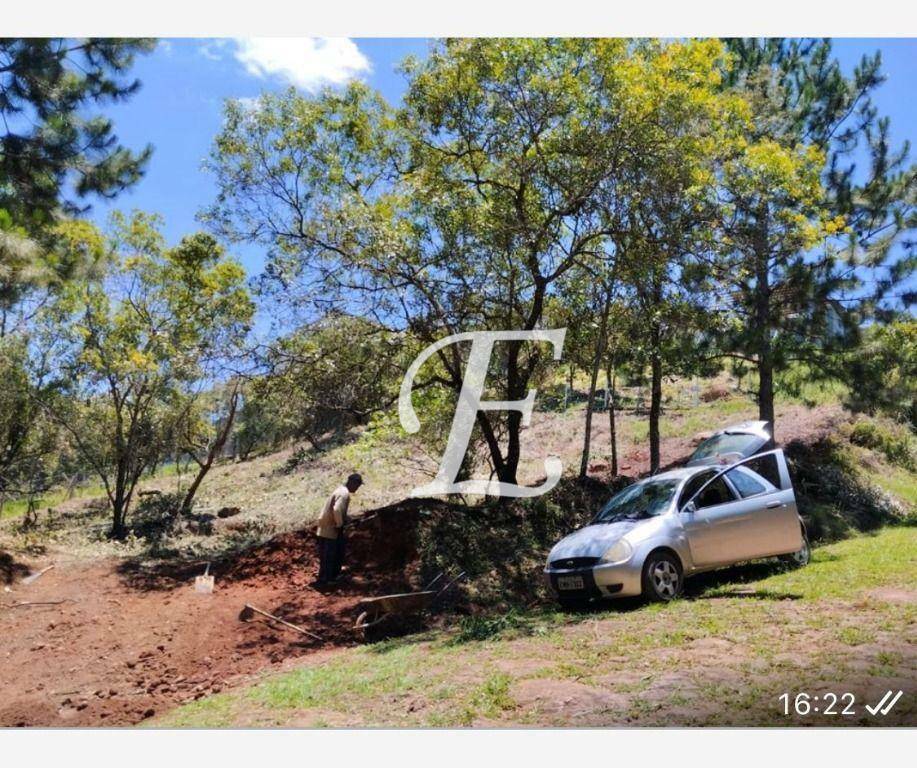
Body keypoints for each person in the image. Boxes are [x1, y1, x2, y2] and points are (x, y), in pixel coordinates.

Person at [314, 473, 363, 586]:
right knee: (332, 555)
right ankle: (329, 580)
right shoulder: (344, 494)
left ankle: (324, 579)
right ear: (352, 482)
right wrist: (340, 524)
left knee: (326, 556)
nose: (357, 488)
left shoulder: (339, 490)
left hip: (324, 528)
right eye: (357, 485)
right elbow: (336, 509)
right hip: (332, 530)